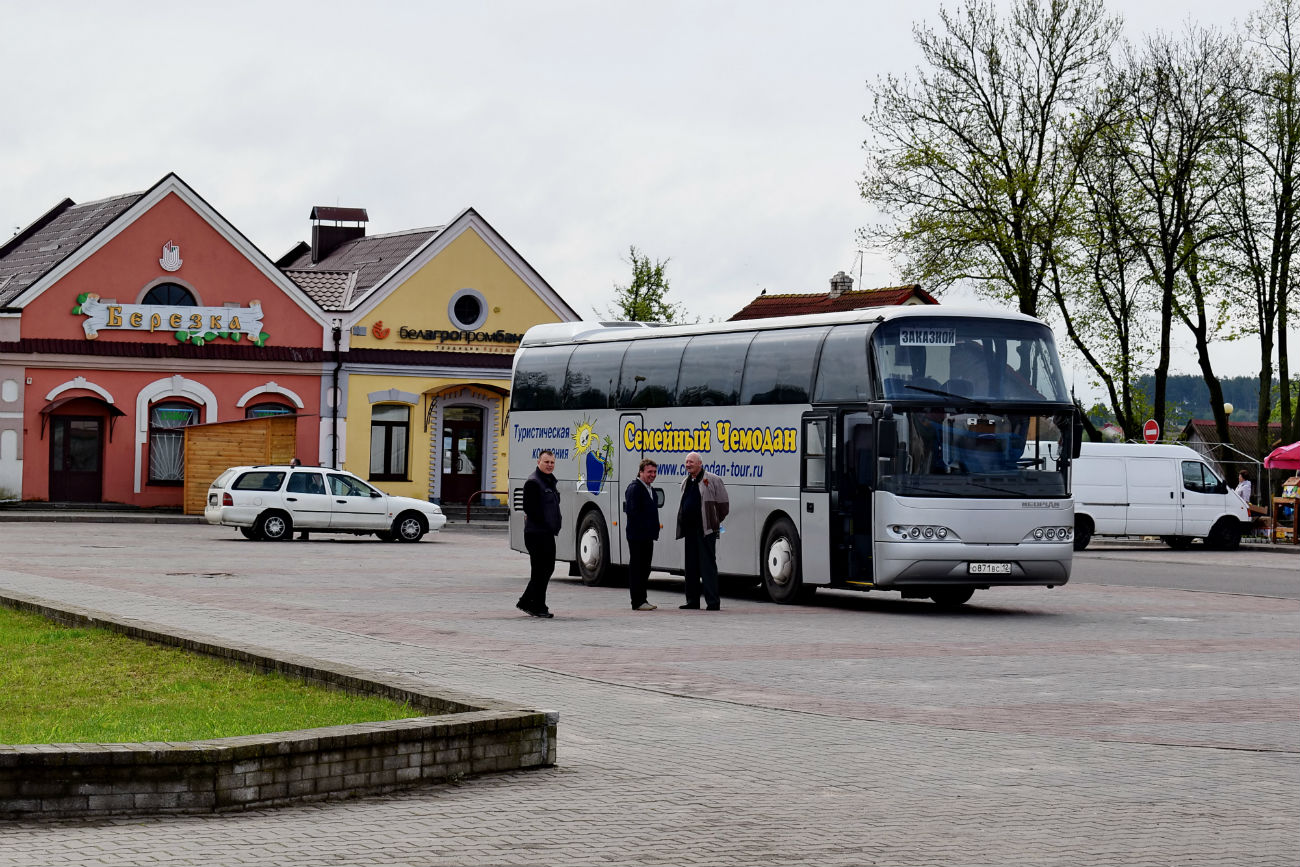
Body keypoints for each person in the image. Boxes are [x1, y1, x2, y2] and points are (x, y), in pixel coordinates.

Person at [676, 451, 729, 611]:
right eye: (686, 462)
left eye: (691, 462)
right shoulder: (686, 481)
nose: (688, 465)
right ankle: (692, 601)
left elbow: (723, 505)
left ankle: (713, 602)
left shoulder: (712, 480)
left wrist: (714, 520)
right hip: (690, 530)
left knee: (707, 566)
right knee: (690, 567)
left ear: (700, 463)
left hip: (706, 531)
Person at [517, 450, 561, 618]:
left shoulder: (549, 481)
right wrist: (546, 523)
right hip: (536, 534)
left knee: (545, 569)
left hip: (546, 533)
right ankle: (534, 604)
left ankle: (533, 603)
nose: (550, 465)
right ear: (538, 462)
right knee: (541, 570)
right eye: (546, 462)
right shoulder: (533, 482)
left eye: (552, 462)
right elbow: (530, 508)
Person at [623, 458, 660, 611]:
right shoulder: (635, 488)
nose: (652, 475)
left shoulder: (650, 489)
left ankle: (642, 599)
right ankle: (637, 601)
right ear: (641, 472)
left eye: (654, 472)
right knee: (638, 568)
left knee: (645, 568)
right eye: (649, 472)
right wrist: (645, 527)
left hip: (647, 536)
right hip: (638, 536)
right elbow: (633, 512)